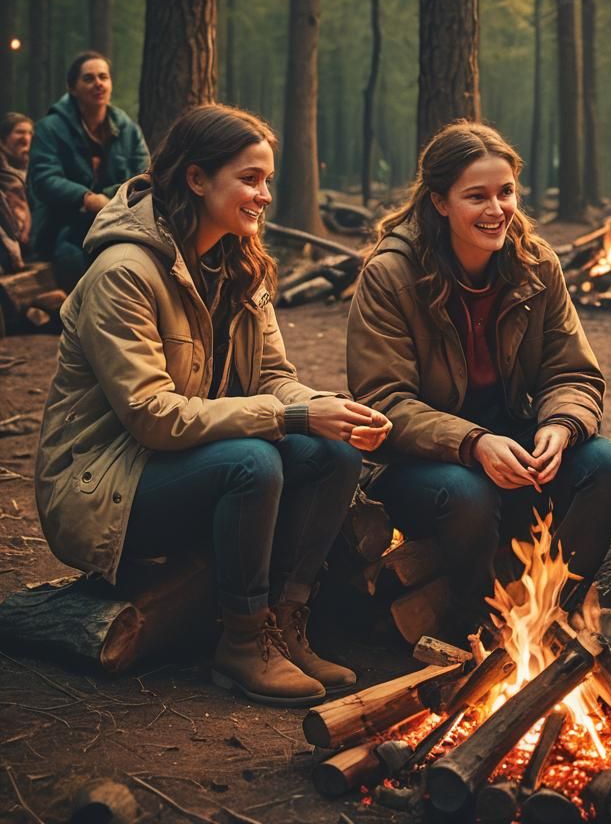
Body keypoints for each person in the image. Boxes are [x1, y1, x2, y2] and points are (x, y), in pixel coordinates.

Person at [34, 104, 391, 707]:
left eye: (268, 180)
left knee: (332, 451)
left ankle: (284, 623)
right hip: (101, 485)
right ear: (196, 179)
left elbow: (276, 378)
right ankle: (242, 641)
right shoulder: (124, 272)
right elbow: (152, 415)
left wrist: (329, 409)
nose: (264, 195)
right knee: (254, 462)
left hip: (187, 461)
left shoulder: (239, 266)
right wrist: (292, 415)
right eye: (250, 179)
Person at [346, 120, 611, 639]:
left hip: (516, 447)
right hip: (426, 467)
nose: (496, 209)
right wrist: (474, 443)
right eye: (475, 196)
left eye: (506, 193)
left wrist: (563, 426)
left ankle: (552, 613)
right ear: (439, 202)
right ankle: (472, 630)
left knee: (610, 464)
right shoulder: (391, 274)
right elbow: (382, 400)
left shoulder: (535, 265)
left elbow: (572, 371)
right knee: (467, 493)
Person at [28, 51, 149, 290]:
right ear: (72, 88)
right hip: (63, 228)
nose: (98, 84)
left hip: (118, 222)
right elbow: (44, 178)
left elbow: (144, 175)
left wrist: (109, 197)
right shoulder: (49, 128)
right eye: (89, 78)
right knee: (72, 259)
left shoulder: (127, 129)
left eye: (103, 77)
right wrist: (86, 198)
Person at [0, 113, 33, 273]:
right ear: (4, 138)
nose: (26, 137)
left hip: (31, 243)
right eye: (20, 132)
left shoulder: (34, 166)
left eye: (29, 133)